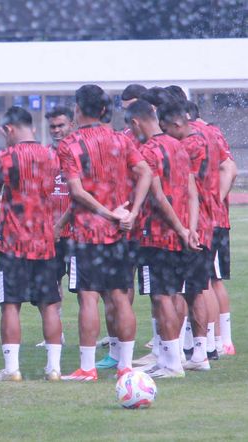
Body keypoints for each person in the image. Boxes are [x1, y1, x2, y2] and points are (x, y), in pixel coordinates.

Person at [58, 84, 152, 381]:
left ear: (77, 108)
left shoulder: (70, 144)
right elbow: (146, 172)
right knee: (120, 297)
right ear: (103, 110)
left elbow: (76, 190)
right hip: (120, 233)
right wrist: (132, 212)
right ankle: (125, 364)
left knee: (88, 298)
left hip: (87, 233)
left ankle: (87, 368)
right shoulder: (119, 141)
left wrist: (106, 213)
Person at [159, 101, 234, 371]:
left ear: (177, 124)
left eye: (165, 128)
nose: (163, 133)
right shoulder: (209, 136)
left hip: (191, 224)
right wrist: (217, 200)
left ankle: (177, 352)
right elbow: (229, 168)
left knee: (180, 290)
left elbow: (185, 188)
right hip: (208, 222)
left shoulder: (185, 146)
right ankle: (202, 351)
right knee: (199, 287)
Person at [0, 106, 62, 382]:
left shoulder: (5, 158)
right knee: (49, 304)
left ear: (8, 129)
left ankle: (12, 369)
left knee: (10, 304)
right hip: (43, 241)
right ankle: (54, 368)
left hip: (13, 241)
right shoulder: (50, 156)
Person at [125, 99, 194, 378]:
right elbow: (191, 192)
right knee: (175, 294)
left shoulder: (148, 151)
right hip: (181, 233)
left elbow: (157, 196)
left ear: (135, 123)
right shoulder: (178, 146)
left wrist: (178, 228)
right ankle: (172, 356)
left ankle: (171, 364)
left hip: (157, 235)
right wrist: (191, 227)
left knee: (161, 297)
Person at [40, 106, 75, 349]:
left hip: (76, 232)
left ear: (71, 124)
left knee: (86, 290)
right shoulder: (43, 155)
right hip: (49, 232)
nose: (57, 130)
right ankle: (55, 333)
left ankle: (97, 339)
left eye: (61, 125)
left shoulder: (78, 152)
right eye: (53, 126)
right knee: (51, 284)